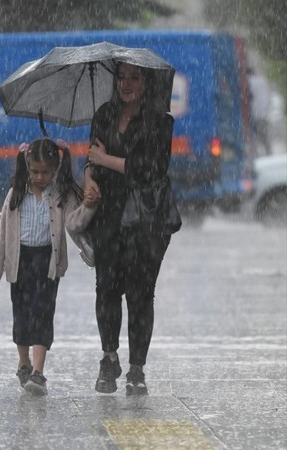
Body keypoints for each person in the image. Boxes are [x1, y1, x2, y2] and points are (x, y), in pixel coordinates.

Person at [83, 61, 175, 396]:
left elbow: (148, 170)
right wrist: (89, 180)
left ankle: (137, 369)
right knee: (106, 288)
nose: (126, 84)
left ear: (147, 81)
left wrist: (105, 160)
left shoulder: (161, 121)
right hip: (107, 214)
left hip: (146, 220)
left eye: (134, 77)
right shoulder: (104, 115)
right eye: (121, 77)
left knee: (139, 293)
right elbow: (90, 160)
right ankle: (109, 358)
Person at [0, 138, 88, 396]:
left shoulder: (60, 195)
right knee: (21, 314)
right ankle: (24, 362)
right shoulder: (16, 195)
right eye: (35, 171)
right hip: (19, 261)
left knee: (43, 313)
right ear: (27, 166)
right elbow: (3, 236)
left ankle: (38, 372)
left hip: (47, 263)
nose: (40, 177)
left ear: (55, 169)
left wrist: (89, 204)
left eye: (46, 172)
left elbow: (74, 224)